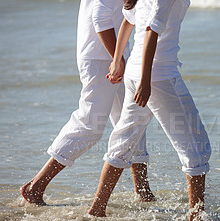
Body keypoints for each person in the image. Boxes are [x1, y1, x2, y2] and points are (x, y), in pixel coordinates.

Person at [20, 0, 155, 206]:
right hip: (100, 56)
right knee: (90, 124)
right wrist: (117, 60)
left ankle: (143, 191)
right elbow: (99, 16)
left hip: (115, 54)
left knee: (132, 119)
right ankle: (35, 186)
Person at [88, 0, 211, 221]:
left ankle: (97, 208)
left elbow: (128, 21)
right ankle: (197, 218)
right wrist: (146, 81)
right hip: (158, 77)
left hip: (135, 74)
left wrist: (117, 61)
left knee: (122, 142)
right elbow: (150, 31)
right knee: (196, 147)